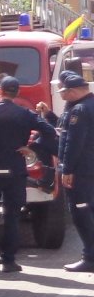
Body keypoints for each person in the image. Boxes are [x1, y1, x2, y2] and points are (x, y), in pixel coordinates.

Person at [0, 75, 57, 273]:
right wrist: (31, 147)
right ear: (17, 92)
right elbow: (49, 131)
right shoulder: (24, 114)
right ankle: (9, 261)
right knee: (12, 216)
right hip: (15, 172)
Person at [56, 70, 94, 272]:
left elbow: (73, 142)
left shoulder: (79, 110)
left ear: (72, 91)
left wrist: (67, 169)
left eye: (63, 91)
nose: (61, 95)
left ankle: (90, 258)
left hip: (80, 171)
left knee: (80, 212)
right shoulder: (87, 105)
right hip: (89, 168)